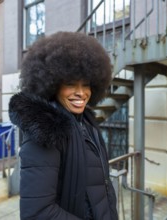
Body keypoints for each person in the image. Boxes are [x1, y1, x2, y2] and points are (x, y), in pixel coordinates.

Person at [9, 31, 118, 220]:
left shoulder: (86, 122)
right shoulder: (46, 132)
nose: (81, 93)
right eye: (70, 84)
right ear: (52, 84)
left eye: (86, 85)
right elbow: (38, 213)